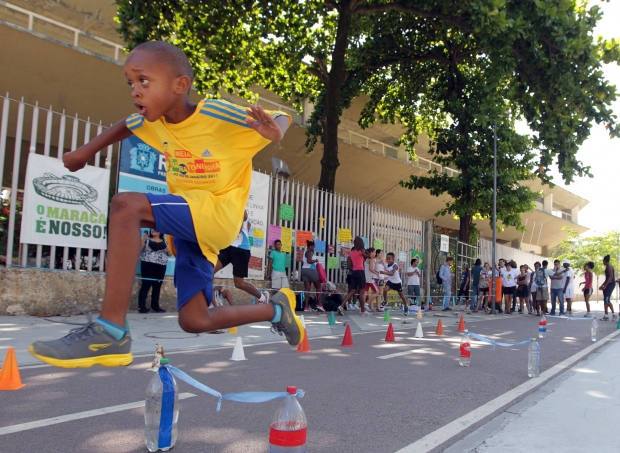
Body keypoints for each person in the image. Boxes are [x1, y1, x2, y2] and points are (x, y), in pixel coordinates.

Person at [29, 41, 303, 368]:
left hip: (217, 213)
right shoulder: (152, 122)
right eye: (131, 82)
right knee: (194, 320)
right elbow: (126, 124)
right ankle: (276, 310)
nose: (135, 90)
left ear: (180, 85)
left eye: (144, 80)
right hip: (192, 232)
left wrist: (275, 132)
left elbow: (281, 116)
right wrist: (85, 152)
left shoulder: (214, 114)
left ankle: (110, 331)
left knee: (126, 207)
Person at [215, 210, 269, 304]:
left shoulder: (240, 209)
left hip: (241, 250)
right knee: (209, 271)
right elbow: (248, 225)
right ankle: (207, 299)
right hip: (228, 247)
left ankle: (262, 298)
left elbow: (239, 228)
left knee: (239, 283)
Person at [138, 229, 172, 313]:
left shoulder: (164, 241)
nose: (153, 230)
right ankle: (141, 307)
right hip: (148, 264)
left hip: (161, 265)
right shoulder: (147, 240)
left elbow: (170, 254)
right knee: (146, 285)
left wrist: (167, 248)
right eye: (152, 229)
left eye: (155, 229)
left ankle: (155, 306)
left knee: (157, 286)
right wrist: (143, 240)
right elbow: (139, 249)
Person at [339, 237, 371, 316]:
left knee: (352, 291)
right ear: (360, 243)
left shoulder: (351, 252)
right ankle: (363, 311)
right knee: (361, 292)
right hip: (360, 272)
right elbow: (370, 256)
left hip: (354, 272)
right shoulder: (361, 251)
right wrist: (364, 248)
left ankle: (341, 306)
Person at [301, 240, 323, 312]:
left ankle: (306, 307)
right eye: (313, 246)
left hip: (304, 270)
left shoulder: (305, 252)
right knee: (318, 286)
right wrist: (315, 260)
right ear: (310, 246)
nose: (314, 248)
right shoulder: (309, 252)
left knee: (307, 289)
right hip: (311, 270)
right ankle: (319, 304)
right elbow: (309, 261)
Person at [365, 248, 383, 312]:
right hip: (370, 278)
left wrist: (375, 271)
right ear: (371, 252)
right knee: (377, 292)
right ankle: (366, 304)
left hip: (366, 278)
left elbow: (370, 268)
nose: (375, 254)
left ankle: (362, 307)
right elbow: (370, 269)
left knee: (365, 292)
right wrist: (377, 274)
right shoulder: (371, 258)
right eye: (374, 252)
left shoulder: (367, 259)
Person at [599, 254, 616, 321]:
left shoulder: (609, 266)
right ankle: (606, 315)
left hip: (611, 284)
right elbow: (607, 278)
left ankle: (614, 315)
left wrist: (605, 286)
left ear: (605, 261)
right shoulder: (607, 266)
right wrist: (602, 285)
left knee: (607, 300)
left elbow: (611, 277)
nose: (602, 262)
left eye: (603, 261)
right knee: (605, 300)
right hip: (608, 284)